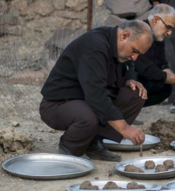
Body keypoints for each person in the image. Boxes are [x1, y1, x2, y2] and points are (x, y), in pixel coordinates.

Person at [39, 20, 153, 161]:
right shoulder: (95, 46)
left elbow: (130, 65)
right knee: (90, 115)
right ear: (124, 35)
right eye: (134, 51)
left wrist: (130, 79)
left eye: (139, 54)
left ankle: (94, 143)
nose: (135, 57)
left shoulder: (118, 45)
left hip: (85, 100)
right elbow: (96, 95)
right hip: (57, 105)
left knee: (136, 95)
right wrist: (125, 129)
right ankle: (69, 149)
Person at [135, 3, 175, 107]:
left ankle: (129, 112)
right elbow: (145, 69)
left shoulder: (158, 38)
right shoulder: (140, 32)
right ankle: (121, 112)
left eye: (171, 29)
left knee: (164, 88)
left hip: (140, 76)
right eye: (168, 27)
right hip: (122, 79)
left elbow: (163, 65)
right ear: (155, 20)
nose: (170, 33)